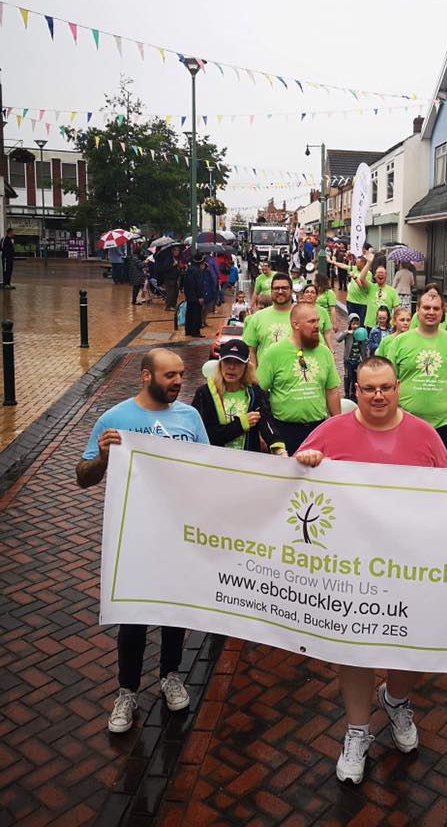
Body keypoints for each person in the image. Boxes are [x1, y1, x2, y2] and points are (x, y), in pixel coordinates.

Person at [295, 355, 447, 783]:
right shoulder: (331, 431)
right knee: (355, 647)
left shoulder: (424, 435)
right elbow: (291, 481)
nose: (378, 395)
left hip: (410, 565)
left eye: (386, 387)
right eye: (369, 388)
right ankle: (357, 730)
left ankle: (396, 701)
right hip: (351, 566)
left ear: (398, 387)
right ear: (357, 390)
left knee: (410, 641)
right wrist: (305, 463)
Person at [75, 348, 209, 734]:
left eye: (180, 374)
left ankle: (170, 675)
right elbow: (83, 477)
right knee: (133, 618)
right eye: (170, 375)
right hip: (133, 534)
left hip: (178, 533)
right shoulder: (115, 418)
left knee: (173, 612)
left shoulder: (190, 417)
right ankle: (127, 691)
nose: (179, 381)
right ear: (146, 376)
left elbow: (208, 469)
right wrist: (103, 458)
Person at [384, 288, 447, 457]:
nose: (431, 312)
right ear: (417, 310)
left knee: (441, 466)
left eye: (436, 308)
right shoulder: (400, 342)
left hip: (444, 421)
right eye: (426, 308)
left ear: (442, 312)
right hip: (407, 419)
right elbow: (389, 381)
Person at [257, 302, 341, 455]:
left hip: (317, 429)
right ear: (295, 324)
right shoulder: (275, 352)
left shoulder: (324, 353)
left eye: (318, 320)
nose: (317, 326)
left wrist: (338, 425)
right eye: (311, 321)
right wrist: (263, 430)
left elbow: (332, 391)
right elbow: (258, 391)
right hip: (283, 430)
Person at [191, 339, 286, 454]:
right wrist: (241, 424)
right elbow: (203, 434)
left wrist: (277, 447)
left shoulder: (255, 392)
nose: (231, 367)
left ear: (246, 366)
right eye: (227, 361)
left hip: (247, 461)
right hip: (214, 460)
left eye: (238, 362)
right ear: (220, 363)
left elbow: (267, 423)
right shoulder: (204, 393)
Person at [244, 272, 293, 366]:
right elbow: (251, 350)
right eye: (276, 288)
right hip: (264, 373)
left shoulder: (302, 316)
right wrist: (255, 372)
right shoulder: (257, 317)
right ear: (271, 291)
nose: (280, 291)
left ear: (291, 291)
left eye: (284, 288)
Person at [358, 253, 400, 331]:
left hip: (386, 327)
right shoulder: (371, 287)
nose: (380, 274)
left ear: (386, 275)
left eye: (382, 273)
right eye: (378, 273)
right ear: (374, 276)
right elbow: (362, 278)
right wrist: (369, 263)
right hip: (371, 325)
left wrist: (394, 323)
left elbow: (397, 310)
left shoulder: (392, 291)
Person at [336, 313, 369, 398]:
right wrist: (347, 332)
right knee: (347, 377)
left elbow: (365, 348)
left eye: (357, 324)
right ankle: (347, 394)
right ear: (350, 324)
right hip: (348, 360)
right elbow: (338, 339)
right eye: (353, 324)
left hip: (357, 360)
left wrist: (365, 359)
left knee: (355, 378)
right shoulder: (348, 334)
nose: (355, 326)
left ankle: (353, 394)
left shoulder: (361, 333)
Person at [300, 282, 334, 351]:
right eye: (307, 292)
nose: (309, 294)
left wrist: (331, 350)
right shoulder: (297, 311)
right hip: (301, 348)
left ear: (317, 296)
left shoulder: (323, 312)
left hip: (320, 348)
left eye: (312, 292)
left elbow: (327, 333)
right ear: (303, 295)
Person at [345, 254, 372, 326]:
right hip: (350, 301)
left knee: (361, 323)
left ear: (363, 263)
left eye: (358, 263)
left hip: (362, 303)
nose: (356, 264)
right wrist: (333, 262)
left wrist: (354, 277)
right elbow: (344, 266)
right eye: (356, 262)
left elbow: (362, 286)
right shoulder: (354, 269)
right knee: (352, 322)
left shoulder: (368, 274)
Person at [183, 253, 205, 337]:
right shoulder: (198, 271)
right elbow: (199, 285)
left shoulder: (189, 270)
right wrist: (200, 296)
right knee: (196, 313)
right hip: (196, 296)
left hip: (189, 295)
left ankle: (188, 330)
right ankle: (195, 331)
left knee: (189, 312)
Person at [163, 246, 182, 311]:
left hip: (175, 278)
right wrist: (172, 265)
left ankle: (173, 304)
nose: (177, 252)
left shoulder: (177, 258)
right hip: (169, 278)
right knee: (170, 293)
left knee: (175, 292)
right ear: (172, 251)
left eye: (178, 250)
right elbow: (165, 268)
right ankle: (169, 306)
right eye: (175, 250)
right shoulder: (168, 258)